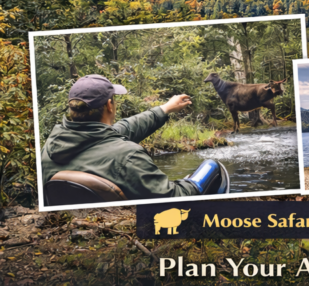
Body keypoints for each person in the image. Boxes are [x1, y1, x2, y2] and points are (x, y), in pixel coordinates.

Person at [41, 74, 202, 200]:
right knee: (210, 169)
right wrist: (193, 183)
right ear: (109, 106)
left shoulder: (49, 148)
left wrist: (165, 108)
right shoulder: (128, 156)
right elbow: (173, 198)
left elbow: (124, 128)